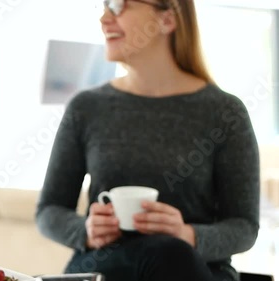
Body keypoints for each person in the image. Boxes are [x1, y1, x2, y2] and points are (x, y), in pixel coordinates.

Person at [35, 0, 259, 281]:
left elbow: (244, 227)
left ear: (167, 19)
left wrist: (188, 235)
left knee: (170, 253)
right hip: (104, 266)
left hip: (194, 268)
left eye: (118, 5)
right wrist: (87, 231)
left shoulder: (225, 112)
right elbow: (49, 211)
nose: (104, 18)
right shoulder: (86, 107)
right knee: (165, 253)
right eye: (104, 5)